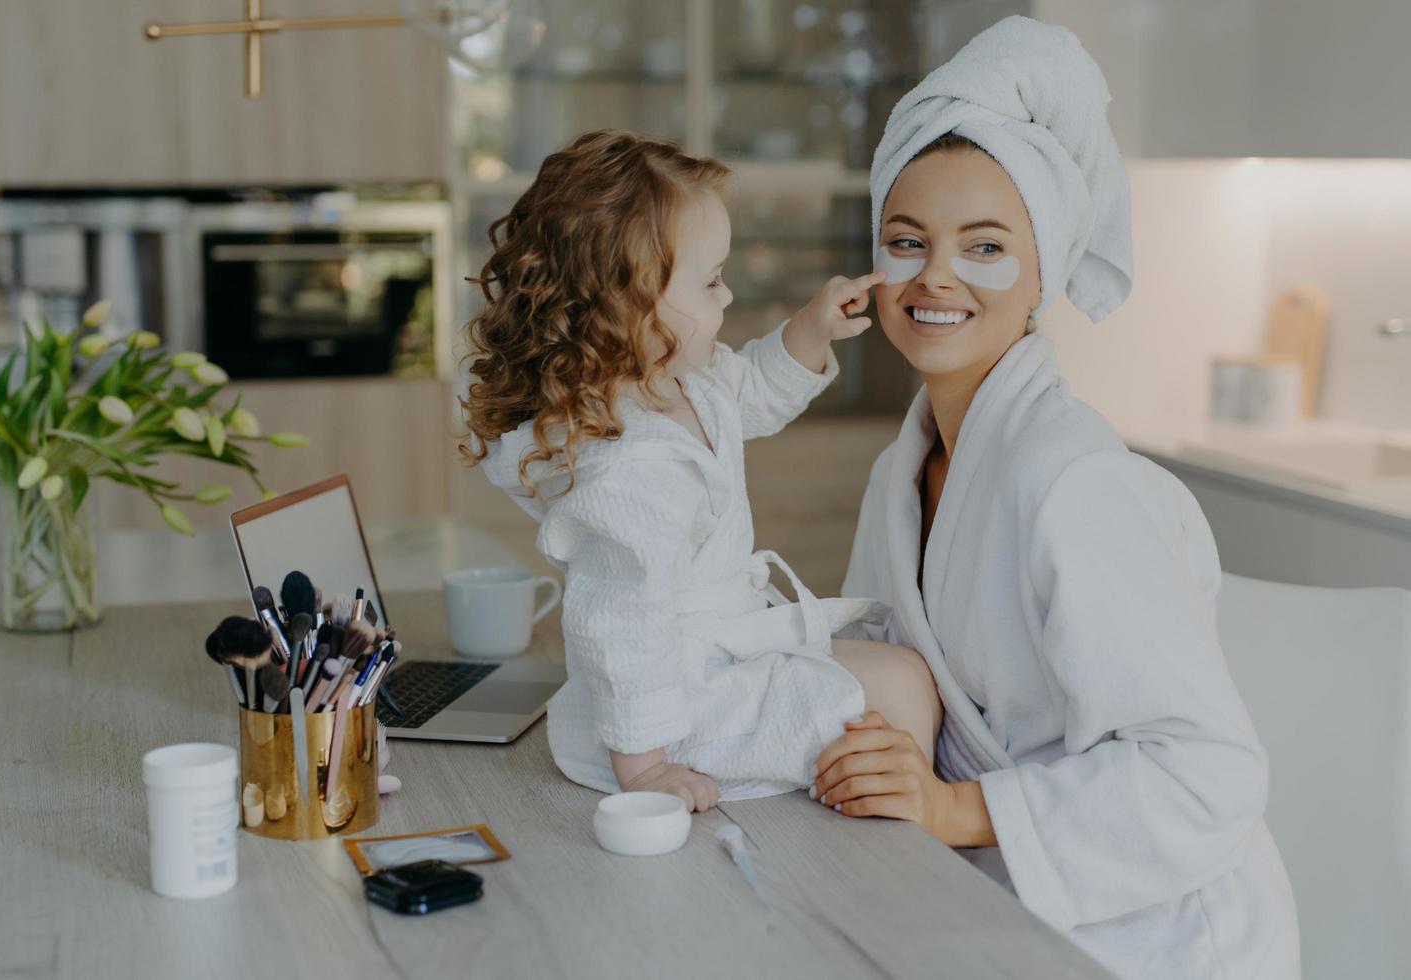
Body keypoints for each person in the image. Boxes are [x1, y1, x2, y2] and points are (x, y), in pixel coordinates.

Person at [817, 16, 1300, 979]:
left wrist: (951, 807)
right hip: (982, 895)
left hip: (1154, 935)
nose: (937, 275)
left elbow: (1206, 778)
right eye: (906, 241)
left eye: (984, 246)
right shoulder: (898, 473)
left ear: (1042, 274)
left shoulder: (1076, 485)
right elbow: (876, 684)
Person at [460, 130, 942, 810]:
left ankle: (903, 828)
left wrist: (807, 332)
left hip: (719, 656)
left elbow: (750, 395)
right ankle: (896, 852)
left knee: (902, 672)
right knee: (895, 693)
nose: (728, 295)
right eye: (711, 280)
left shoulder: (682, 381)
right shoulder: (631, 469)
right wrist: (647, 770)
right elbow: (620, 624)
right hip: (675, 712)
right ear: (627, 306)